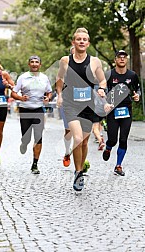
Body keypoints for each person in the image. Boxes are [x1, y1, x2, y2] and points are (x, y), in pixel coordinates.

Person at [56, 27, 111, 191]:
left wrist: (101, 89)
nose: (81, 41)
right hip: (70, 104)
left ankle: (79, 170)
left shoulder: (95, 61)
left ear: (88, 43)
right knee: (78, 139)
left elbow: (102, 81)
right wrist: (59, 94)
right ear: (73, 42)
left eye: (84, 39)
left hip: (88, 105)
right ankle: (79, 172)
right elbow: (59, 78)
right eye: (78, 39)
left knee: (85, 142)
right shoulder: (65, 61)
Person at [11, 55, 52, 174]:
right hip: (25, 110)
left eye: (36, 62)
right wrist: (20, 98)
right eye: (32, 62)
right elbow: (13, 93)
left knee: (38, 138)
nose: (34, 64)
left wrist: (47, 98)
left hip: (39, 110)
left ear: (40, 65)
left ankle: (35, 164)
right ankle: (24, 143)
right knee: (26, 137)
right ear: (29, 64)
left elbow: (49, 92)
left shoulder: (44, 78)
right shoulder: (23, 77)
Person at [103, 50, 141, 176]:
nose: (122, 59)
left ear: (126, 60)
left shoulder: (132, 75)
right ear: (115, 60)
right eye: (120, 57)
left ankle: (118, 165)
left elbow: (138, 89)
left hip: (126, 110)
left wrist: (137, 96)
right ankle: (108, 147)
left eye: (124, 57)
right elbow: (101, 90)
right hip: (113, 110)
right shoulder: (108, 75)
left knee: (123, 139)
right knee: (113, 139)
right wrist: (104, 102)